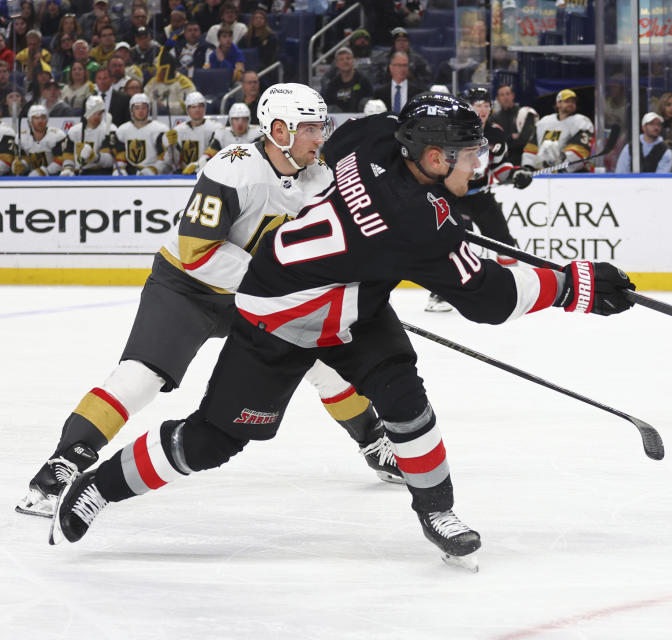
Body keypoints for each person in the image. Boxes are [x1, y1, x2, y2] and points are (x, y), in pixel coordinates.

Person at [48, 90, 636, 573]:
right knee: (212, 440)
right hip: (279, 314)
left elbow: (381, 164)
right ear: (432, 158)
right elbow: (492, 298)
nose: (475, 163)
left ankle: (437, 511)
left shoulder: (371, 136)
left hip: (355, 307)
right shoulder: (414, 228)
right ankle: (98, 486)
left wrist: (440, 210)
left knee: (406, 401)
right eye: (467, 155)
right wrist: (578, 286)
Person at [21, 84, 401, 520]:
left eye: (322, 126)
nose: (321, 137)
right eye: (312, 128)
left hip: (258, 296)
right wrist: (281, 282)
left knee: (325, 363)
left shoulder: (321, 178)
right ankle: (63, 464)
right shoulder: (235, 167)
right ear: (279, 130)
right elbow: (196, 250)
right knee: (140, 378)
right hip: (189, 288)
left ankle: (374, 441)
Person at [424, 87, 530, 311]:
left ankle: (511, 290)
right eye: (477, 105)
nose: (482, 110)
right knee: (455, 243)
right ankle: (441, 294)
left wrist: (517, 174)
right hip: (453, 197)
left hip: (481, 197)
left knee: (504, 243)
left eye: (486, 106)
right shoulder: (450, 130)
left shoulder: (496, 134)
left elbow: (500, 169)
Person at [522, 88, 594, 172]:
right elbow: (531, 148)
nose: (571, 104)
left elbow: (580, 150)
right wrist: (528, 167)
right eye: (567, 101)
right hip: (542, 173)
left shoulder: (581, 122)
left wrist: (562, 169)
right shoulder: (544, 122)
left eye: (573, 102)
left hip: (568, 175)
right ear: (558, 103)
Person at [113, 93, 173, 175]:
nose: (140, 111)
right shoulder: (122, 130)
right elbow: (120, 154)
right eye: (137, 108)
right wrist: (119, 169)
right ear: (131, 110)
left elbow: (165, 159)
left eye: (143, 108)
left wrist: (154, 170)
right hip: (129, 174)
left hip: (154, 176)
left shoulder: (160, 130)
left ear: (148, 109)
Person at [60, 95, 118, 176]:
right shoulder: (74, 131)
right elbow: (68, 155)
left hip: (102, 174)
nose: (97, 116)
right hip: (79, 174)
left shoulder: (110, 130)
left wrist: (95, 157)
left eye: (100, 113)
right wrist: (68, 168)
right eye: (94, 112)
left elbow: (111, 161)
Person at [169, 91, 222, 174]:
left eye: (200, 106)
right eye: (193, 107)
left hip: (207, 174)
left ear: (205, 108)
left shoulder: (216, 128)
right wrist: (170, 146)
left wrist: (198, 165)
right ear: (187, 109)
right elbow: (173, 161)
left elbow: (216, 155)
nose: (197, 109)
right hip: (184, 175)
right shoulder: (178, 130)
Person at [145, 47, 198, 116]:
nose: (159, 72)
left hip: (177, 120)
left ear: (169, 69)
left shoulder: (184, 83)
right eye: (157, 69)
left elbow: (187, 106)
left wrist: (164, 106)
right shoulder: (153, 82)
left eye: (162, 69)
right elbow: (144, 99)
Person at [323, 46, 374, 113]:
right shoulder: (332, 84)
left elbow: (372, 101)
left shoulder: (363, 80)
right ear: (337, 64)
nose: (345, 61)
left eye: (348, 58)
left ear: (353, 61)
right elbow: (328, 105)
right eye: (341, 59)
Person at [237, 5, 278, 70]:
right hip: (247, 66)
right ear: (252, 21)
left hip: (264, 68)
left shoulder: (271, 37)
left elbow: (270, 57)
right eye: (256, 18)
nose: (258, 20)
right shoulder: (246, 37)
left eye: (261, 18)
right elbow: (239, 50)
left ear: (265, 21)